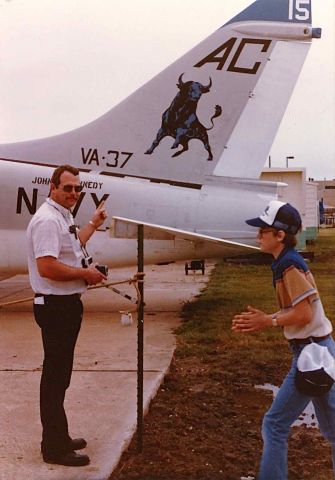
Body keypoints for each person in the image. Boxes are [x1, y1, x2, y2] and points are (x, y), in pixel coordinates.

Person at [232, 200, 335, 480]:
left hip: (312, 354)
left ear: (280, 235)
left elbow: (303, 314)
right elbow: (299, 311)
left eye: (263, 231)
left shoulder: (289, 264)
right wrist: (270, 317)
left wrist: (269, 320)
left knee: (274, 424)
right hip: (320, 350)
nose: (258, 236)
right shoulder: (285, 262)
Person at [26, 164, 108, 467]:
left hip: (66, 304)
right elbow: (47, 266)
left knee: (60, 377)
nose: (73, 193)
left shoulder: (62, 215)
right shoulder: (48, 220)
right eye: (68, 188)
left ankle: (59, 436)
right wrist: (85, 274)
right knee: (55, 378)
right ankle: (54, 448)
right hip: (56, 306)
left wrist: (93, 224)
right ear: (53, 187)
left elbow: (71, 248)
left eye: (77, 188)